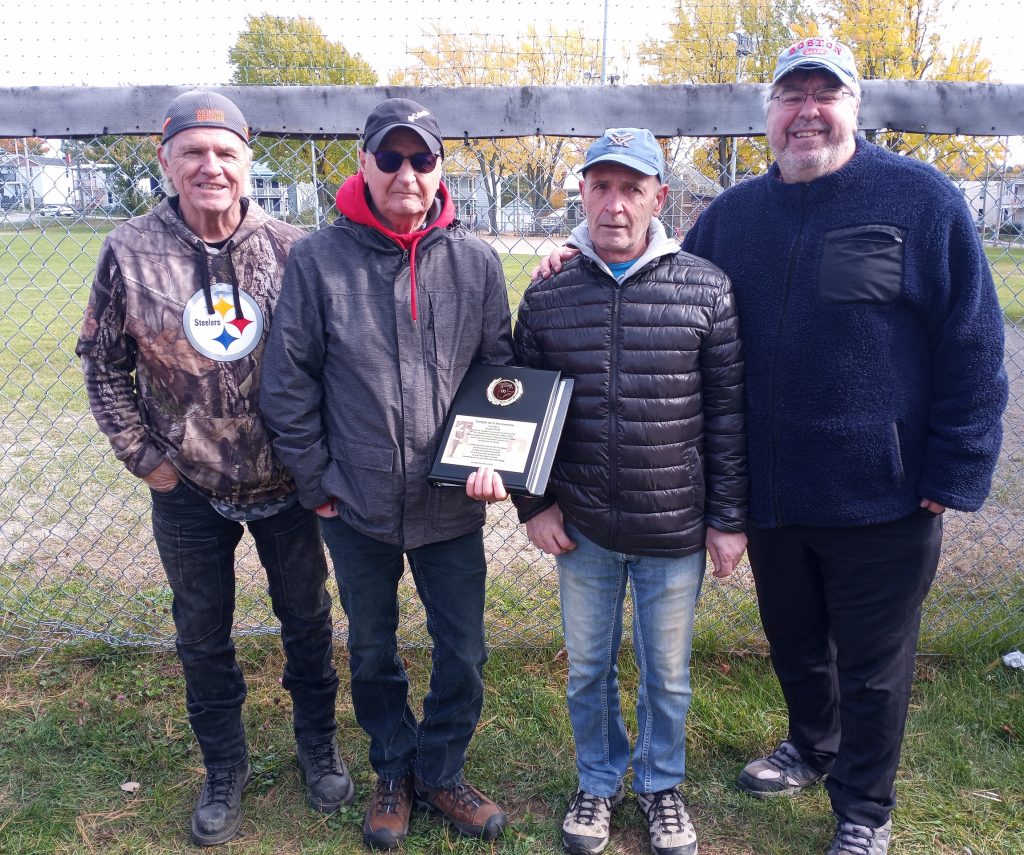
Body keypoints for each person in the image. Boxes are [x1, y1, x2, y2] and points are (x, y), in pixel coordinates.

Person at [684, 39, 1008, 855]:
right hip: (775, 492)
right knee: (794, 638)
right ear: (769, 116)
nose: (807, 112)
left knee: (872, 662)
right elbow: (665, 293)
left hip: (886, 493)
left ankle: (863, 807)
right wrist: (572, 254)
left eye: (825, 95)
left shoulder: (921, 200)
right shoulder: (732, 218)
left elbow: (971, 342)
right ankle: (811, 744)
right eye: (790, 96)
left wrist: (955, 466)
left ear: (854, 108)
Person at [76, 90, 352, 846]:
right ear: (165, 160)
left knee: (307, 618)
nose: (210, 166)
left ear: (247, 161)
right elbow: (103, 364)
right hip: (189, 488)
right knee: (202, 634)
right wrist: (146, 460)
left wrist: (318, 463)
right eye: (192, 152)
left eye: (225, 152)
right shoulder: (129, 249)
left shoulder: (299, 248)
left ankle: (317, 744)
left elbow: (338, 359)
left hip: (290, 484)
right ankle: (224, 766)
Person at [260, 98, 513, 850]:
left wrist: (493, 462)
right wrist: (318, 481)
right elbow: (288, 382)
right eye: (392, 157)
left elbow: (501, 376)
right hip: (358, 505)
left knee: (463, 649)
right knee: (372, 647)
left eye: (423, 158)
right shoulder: (318, 259)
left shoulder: (476, 262)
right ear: (364, 164)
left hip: (451, 505)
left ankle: (441, 769)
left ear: (441, 169)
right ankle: (393, 769)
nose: (408, 172)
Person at [504, 127, 747, 855]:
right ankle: (598, 780)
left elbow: (728, 414)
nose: (614, 203)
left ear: (658, 198)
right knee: (588, 668)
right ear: (582, 191)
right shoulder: (548, 294)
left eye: (631, 188)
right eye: (600, 186)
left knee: (667, 676)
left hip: (674, 529)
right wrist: (534, 505)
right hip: (583, 529)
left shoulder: (706, 288)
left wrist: (728, 518)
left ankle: (661, 783)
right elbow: (522, 408)